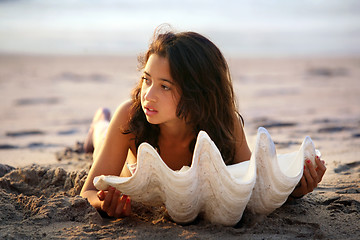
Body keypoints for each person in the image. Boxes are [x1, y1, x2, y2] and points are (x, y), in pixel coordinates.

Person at [80, 28, 327, 219]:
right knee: (102, 133)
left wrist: (297, 190)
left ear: (197, 93)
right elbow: (88, 191)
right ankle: (99, 120)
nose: (148, 94)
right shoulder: (131, 116)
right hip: (115, 137)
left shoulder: (224, 123)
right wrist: (103, 204)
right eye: (147, 80)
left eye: (164, 86)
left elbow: (253, 187)